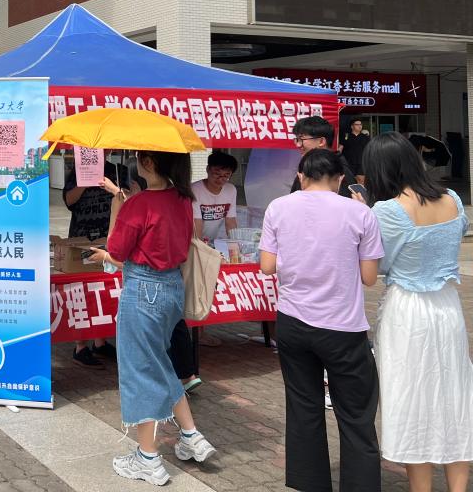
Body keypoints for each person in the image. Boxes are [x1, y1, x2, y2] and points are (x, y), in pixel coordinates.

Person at [88, 151, 216, 486]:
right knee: (158, 364)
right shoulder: (183, 199)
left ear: (148, 164)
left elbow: (116, 251)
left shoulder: (140, 204)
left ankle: (148, 457)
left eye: (140, 156)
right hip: (172, 288)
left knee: (140, 371)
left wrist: (117, 209)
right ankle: (191, 435)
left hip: (144, 290)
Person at [260, 149, 383, 492]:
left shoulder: (277, 208)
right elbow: (369, 277)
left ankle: (310, 484)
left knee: (303, 408)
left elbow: (267, 266)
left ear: (301, 176)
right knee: (356, 415)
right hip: (343, 327)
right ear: (340, 179)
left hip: (293, 322)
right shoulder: (360, 213)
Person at [360, 133, 473, 492]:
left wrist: (364, 216)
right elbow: (459, 233)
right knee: (455, 395)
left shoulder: (387, 210)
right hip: (448, 307)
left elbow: (378, 266)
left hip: (408, 311)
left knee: (411, 398)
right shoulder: (452, 198)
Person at [63, 153, 137, 367]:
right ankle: (80, 346)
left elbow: (131, 198)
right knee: (83, 290)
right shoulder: (77, 172)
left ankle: (100, 341)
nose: (99, 154)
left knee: (104, 289)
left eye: (103, 151)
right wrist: (85, 180)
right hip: (82, 238)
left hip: (110, 236)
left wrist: (115, 188)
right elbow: (69, 200)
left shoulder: (118, 171)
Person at [290, 116, 358, 197]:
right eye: (297, 140)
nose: (298, 145)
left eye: (301, 139)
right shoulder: (307, 165)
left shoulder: (340, 170)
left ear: (321, 141)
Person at [191, 151, 239, 245]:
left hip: (210, 241)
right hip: (192, 240)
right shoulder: (195, 189)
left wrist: (235, 245)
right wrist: (200, 248)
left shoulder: (231, 190)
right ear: (208, 169)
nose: (221, 179)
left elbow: (230, 221)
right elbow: (197, 223)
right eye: (217, 174)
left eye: (226, 175)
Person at [341, 119, 371, 184]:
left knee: (361, 181)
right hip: (348, 163)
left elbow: (369, 150)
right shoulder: (346, 136)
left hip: (361, 163)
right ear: (352, 126)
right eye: (357, 124)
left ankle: (360, 191)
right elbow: (341, 147)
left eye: (361, 124)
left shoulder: (365, 137)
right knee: (349, 182)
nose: (360, 126)